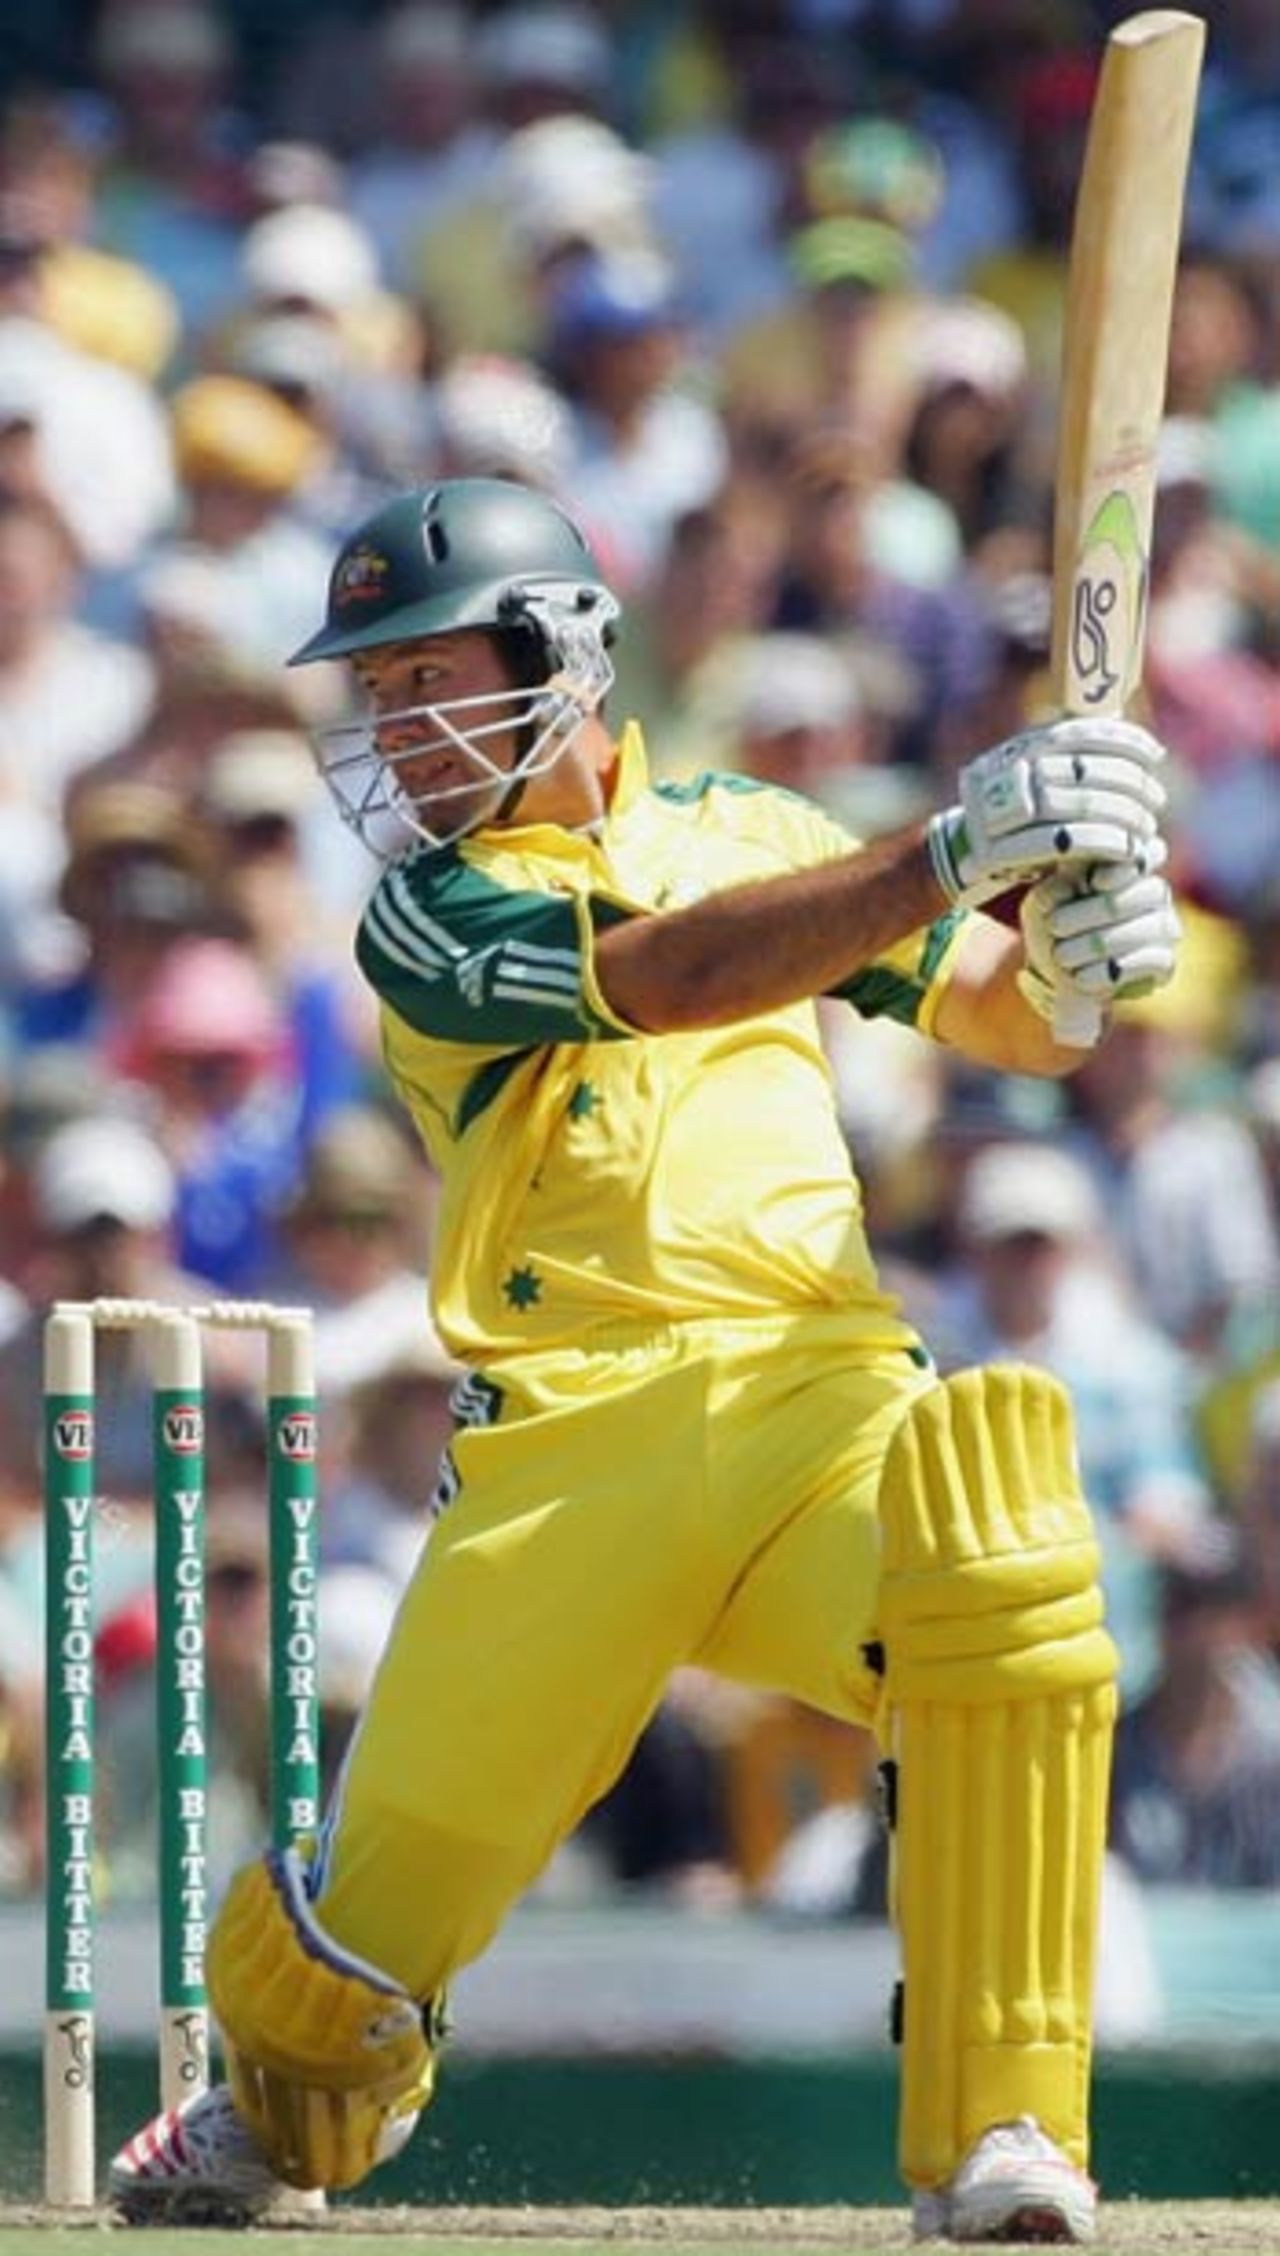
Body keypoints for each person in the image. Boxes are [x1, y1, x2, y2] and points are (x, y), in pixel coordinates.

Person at [109, 476, 1181, 2242]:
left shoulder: (758, 827)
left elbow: (999, 1013)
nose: (391, 727)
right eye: (369, 693)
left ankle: (1010, 2135)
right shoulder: (426, 917)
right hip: (567, 1453)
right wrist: (948, 850)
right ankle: (271, 2103)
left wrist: (1070, 963)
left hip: (817, 1398)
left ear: (565, 651)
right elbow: (671, 975)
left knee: (1005, 1573)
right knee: (335, 2001)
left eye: (421, 676)